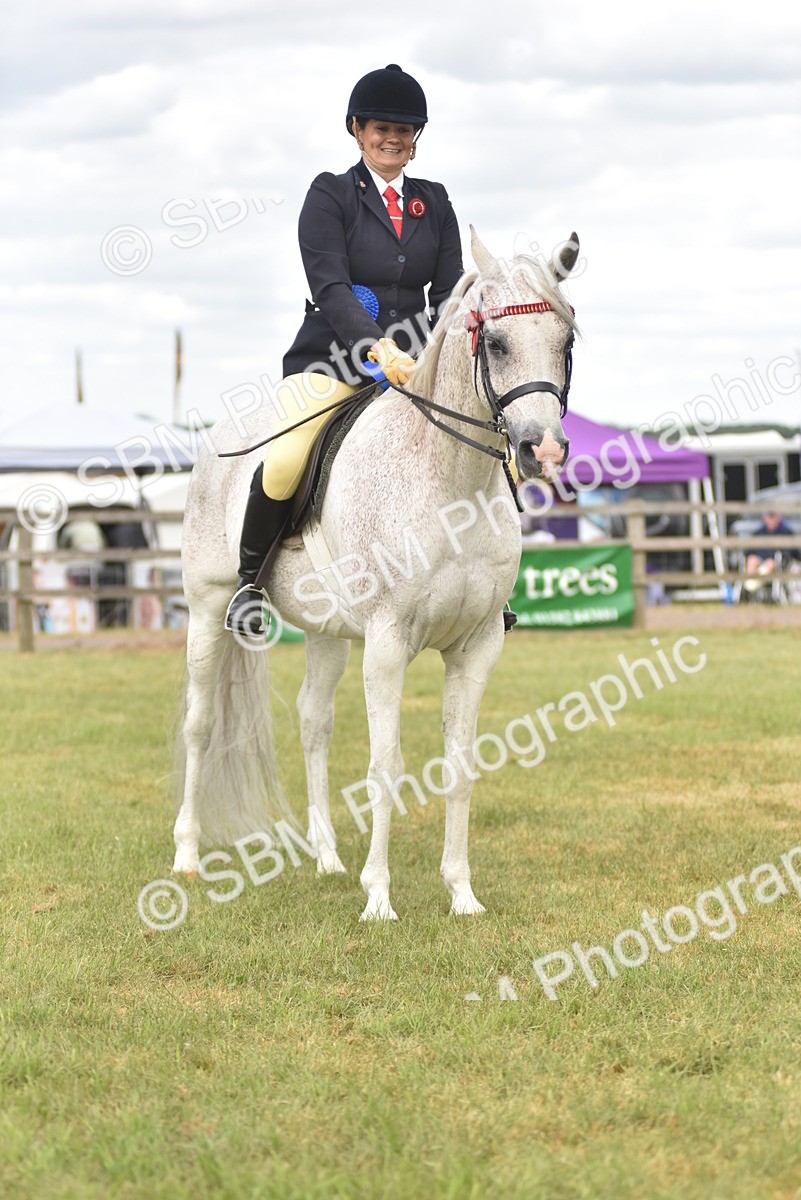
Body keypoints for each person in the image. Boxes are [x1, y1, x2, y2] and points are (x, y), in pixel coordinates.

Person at [225, 64, 464, 636]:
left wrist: (441, 353)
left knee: (478, 443)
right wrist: (379, 348)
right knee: (284, 460)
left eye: (406, 130)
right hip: (332, 360)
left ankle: (482, 585)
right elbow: (329, 286)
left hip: (415, 369)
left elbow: (452, 290)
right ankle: (249, 585)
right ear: (357, 129)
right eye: (382, 126)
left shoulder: (434, 201)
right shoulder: (330, 194)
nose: (393, 138)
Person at [744, 509, 797, 593]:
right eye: (769, 517)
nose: (771, 520)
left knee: (770, 563)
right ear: (764, 518)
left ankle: (749, 587)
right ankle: (750, 585)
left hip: (778, 563)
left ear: (778, 518)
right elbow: (749, 550)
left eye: (773, 517)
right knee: (752, 560)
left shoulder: (786, 532)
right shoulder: (759, 533)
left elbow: (793, 552)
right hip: (761, 560)